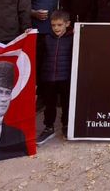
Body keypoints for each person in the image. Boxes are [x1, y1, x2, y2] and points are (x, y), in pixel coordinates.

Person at [37, 10, 74, 144]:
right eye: (53, 25)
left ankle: (66, 125)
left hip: (65, 77)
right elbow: (39, 58)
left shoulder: (73, 38)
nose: (56, 28)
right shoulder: (46, 38)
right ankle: (48, 127)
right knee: (49, 105)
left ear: (67, 24)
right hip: (48, 78)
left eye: (59, 25)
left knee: (66, 103)